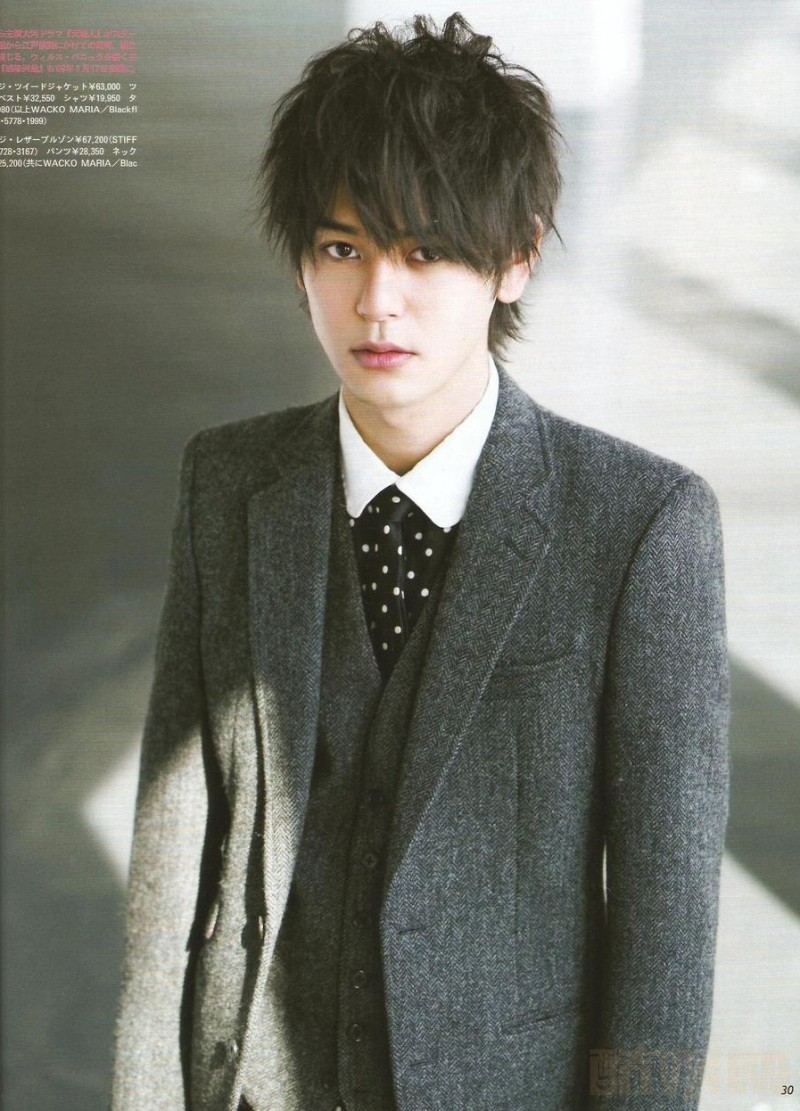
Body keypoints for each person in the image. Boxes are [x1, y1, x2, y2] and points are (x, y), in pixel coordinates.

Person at [112, 13, 729, 1111]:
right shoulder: (228, 483)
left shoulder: (640, 525)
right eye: (341, 249)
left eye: (426, 252)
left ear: (515, 257)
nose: (377, 300)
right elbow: (173, 852)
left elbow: (665, 929)